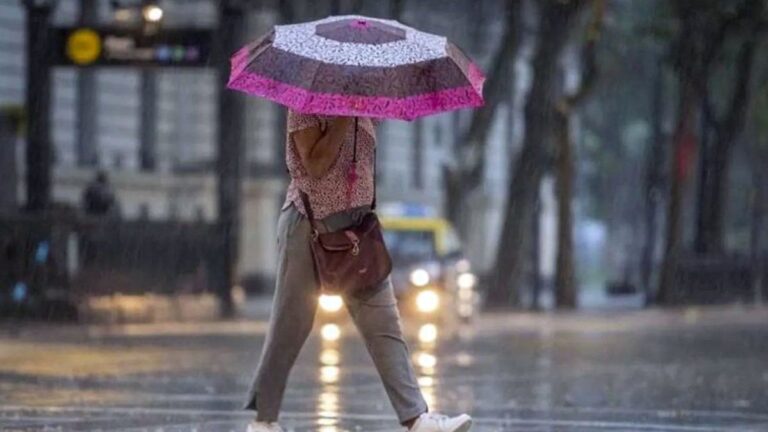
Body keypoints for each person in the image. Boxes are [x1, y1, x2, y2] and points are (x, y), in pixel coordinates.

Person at [243, 110, 473, 432]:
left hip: (356, 230)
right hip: (308, 227)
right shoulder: (305, 103)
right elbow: (315, 165)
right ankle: (264, 420)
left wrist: (363, 112)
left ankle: (417, 419)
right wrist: (343, 119)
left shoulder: (363, 102)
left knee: (385, 323)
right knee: (290, 325)